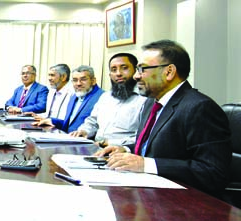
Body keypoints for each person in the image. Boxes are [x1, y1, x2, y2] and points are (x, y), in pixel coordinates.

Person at [95, 40, 231, 197]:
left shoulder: (199, 108)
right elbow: (157, 146)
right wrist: (126, 150)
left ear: (169, 72)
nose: (136, 75)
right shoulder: (150, 103)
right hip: (146, 194)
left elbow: (213, 173)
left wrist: (146, 164)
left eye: (142, 69)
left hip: (182, 203)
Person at [70, 53, 146, 147]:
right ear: (110, 74)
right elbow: (92, 122)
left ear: (136, 71)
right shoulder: (105, 97)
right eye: (114, 70)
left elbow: (144, 137)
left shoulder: (145, 100)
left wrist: (109, 143)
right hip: (95, 148)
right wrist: (84, 131)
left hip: (122, 153)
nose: (118, 73)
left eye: (124, 68)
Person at [32, 65, 103, 133]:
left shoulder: (101, 97)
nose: (78, 83)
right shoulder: (75, 96)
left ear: (93, 81)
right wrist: (51, 121)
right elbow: (69, 125)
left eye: (83, 79)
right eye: (75, 80)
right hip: (68, 139)